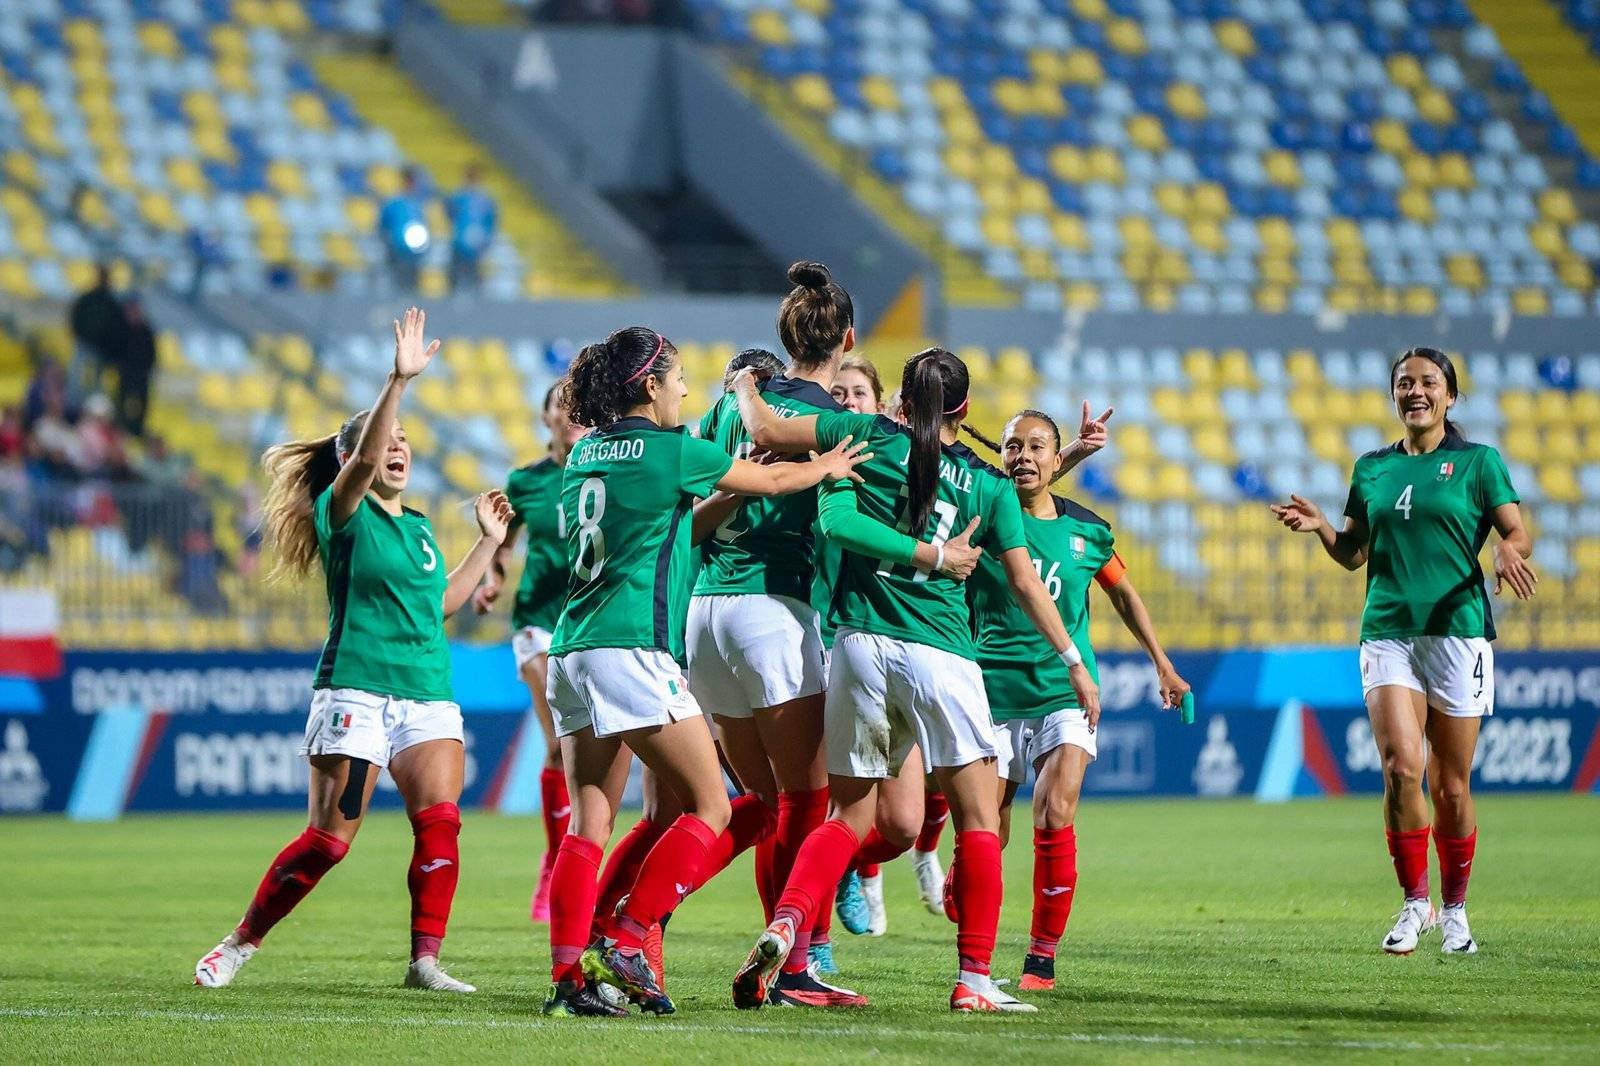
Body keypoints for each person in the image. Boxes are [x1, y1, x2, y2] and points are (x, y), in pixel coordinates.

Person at [728, 346, 1101, 1013]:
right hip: (942, 654)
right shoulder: (987, 485)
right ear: (963, 409)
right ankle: (975, 981)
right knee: (979, 817)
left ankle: (787, 926)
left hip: (860, 646)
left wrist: (745, 387)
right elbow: (1022, 580)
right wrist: (1074, 660)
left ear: (901, 400)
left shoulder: (863, 435)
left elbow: (764, 432)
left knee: (847, 815)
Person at [539, 325, 885, 1017]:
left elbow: (683, 522)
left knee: (588, 823)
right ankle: (633, 941)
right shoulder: (672, 449)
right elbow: (775, 477)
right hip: (631, 648)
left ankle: (569, 983)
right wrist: (827, 466)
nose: (686, 391)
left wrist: (739, 487)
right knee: (713, 805)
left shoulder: (587, 453)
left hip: (570, 650)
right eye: (677, 380)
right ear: (650, 385)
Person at [194, 308, 514, 992]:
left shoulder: (424, 529)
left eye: (403, 440)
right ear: (352, 460)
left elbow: (441, 606)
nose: (395, 447)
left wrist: (486, 542)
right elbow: (364, 458)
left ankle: (424, 961)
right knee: (329, 844)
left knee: (442, 824)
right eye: (382, 440)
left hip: (426, 687)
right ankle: (240, 942)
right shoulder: (343, 514)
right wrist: (397, 379)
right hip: (357, 688)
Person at [688, 266, 981, 1007]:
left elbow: (693, 509)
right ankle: (797, 961)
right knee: (807, 808)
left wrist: (745, 387)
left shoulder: (726, 412)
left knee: (764, 804)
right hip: (782, 615)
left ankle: (634, 933)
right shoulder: (834, 421)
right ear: (847, 339)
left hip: (704, 612)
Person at [1270, 346, 1536, 956]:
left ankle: (1457, 910)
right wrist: (1324, 531)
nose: (1415, 392)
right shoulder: (1371, 469)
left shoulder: (1478, 463)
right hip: (1387, 630)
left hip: (1457, 631)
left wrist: (1506, 549)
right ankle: (1416, 904)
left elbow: (1514, 529)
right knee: (1399, 769)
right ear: (1394, 395)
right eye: (1404, 383)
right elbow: (1355, 553)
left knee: (1451, 786)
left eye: (1428, 383)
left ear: (1450, 395)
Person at [964, 409, 1189, 993]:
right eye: (1012, 446)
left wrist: (1161, 661)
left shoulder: (1089, 532)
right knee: (987, 830)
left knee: (1055, 810)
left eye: (1037, 446)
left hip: (1067, 691)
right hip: (990, 693)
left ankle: (1041, 958)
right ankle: (970, 888)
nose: (1023, 456)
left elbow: (1124, 594)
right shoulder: (982, 520)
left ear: (1055, 459)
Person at [823, 354, 952, 951]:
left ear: (886, 409)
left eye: (858, 395)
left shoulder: (903, 466)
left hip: (890, 647)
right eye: (838, 393)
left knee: (900, 823)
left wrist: (1068, 459)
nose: (847, 403)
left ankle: (850, 864)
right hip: (821, 641)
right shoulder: (818, 465)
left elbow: (986, 484)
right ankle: (806, 939)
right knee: (810, 808)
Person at [474, 384, 587, 922]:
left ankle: (565, 858)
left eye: (574, 407)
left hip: (588, 625)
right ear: (545, 417)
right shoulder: (525, 482)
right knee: (559, 744)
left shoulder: (601, 468)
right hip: (537, 624)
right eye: (558, 408)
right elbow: (501, 539)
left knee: (575, 750)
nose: (566, 416)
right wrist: (490, 577)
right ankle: (555, 866)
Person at [68, 265, 123, 401]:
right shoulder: (89, 299)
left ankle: (93, 412)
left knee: (97, 386)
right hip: (86, 345)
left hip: (102, 349)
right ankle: (74, 408)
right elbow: (76, 319)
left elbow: (117, 328)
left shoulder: (112, 303)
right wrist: (83, 337)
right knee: (78, 380)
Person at [447, 164, 497, 293]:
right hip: (459, 241)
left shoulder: (486, 199)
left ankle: (478, 294)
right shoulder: (458, 197)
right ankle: (453, 293)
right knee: (456, 272)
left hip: (478, 244)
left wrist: (487, 239)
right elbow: (451, 215)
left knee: (476, 273)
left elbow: (491, 221)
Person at [379, 169, 430, 292]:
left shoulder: (418, 204)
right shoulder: (393, 203)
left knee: (412, 284)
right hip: (396, 250)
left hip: (415, 252)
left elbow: (423, 224)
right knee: (398, 283)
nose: (411, 185)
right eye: (409, 181)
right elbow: (383, 226)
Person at [115, 295, 157, 437]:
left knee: (142, 403)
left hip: (141, 374)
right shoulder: (122, 331)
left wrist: (146, 369)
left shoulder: (146, 331)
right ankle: (120, 427)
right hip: (126, 373)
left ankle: (137, 429)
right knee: (122, 400)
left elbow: (152, 354)